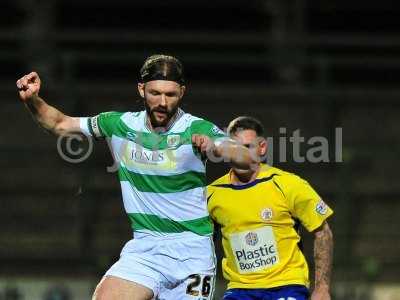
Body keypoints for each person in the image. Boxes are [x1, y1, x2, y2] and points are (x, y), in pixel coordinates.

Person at [16, 55, 256, 300]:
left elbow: (245, 158)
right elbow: (60, 124)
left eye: (171, 95)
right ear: (141, 89)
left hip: (192, 253)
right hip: (145, 249)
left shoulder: (196, 128)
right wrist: (33, 100)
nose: (163, 102)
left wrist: (218, 148)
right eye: (155, 93)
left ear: (182, 92)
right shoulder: (118, 124)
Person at [207, 116, 334, 300]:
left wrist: (322, 288)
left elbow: (323, 232)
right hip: (239, 290)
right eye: (234, 149)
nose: (240, 155)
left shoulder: (288, 184)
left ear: (262, 148)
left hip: (287, 287)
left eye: (247, 147)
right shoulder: (212, 194)